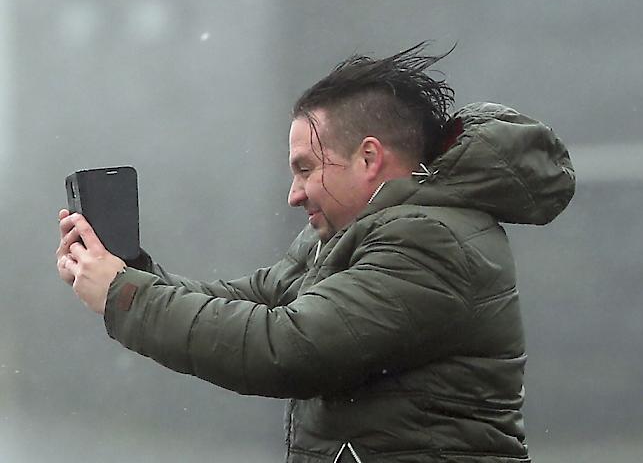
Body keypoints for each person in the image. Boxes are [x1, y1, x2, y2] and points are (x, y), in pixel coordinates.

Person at [56, 43, 575, 463]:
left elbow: (284, 347)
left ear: (369, 157)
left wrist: (125, 297)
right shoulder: (357, 231)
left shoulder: (427, 242)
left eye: (305, 168)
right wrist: (128, 273)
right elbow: (251, 300)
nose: (294, 192)